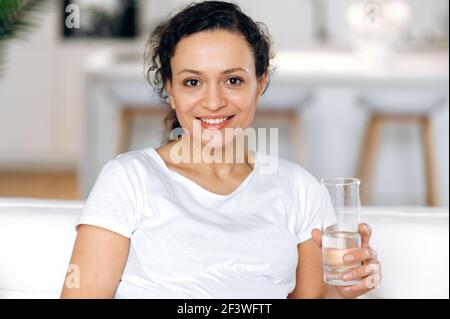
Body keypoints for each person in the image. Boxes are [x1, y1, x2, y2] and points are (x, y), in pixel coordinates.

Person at [61, 1, 381, 299]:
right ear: (170, 90)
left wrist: (345, 291)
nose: (213, 102)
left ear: (260, 83)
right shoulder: (128, 180)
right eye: (192, 82)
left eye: (232, 80)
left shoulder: (302, 190)